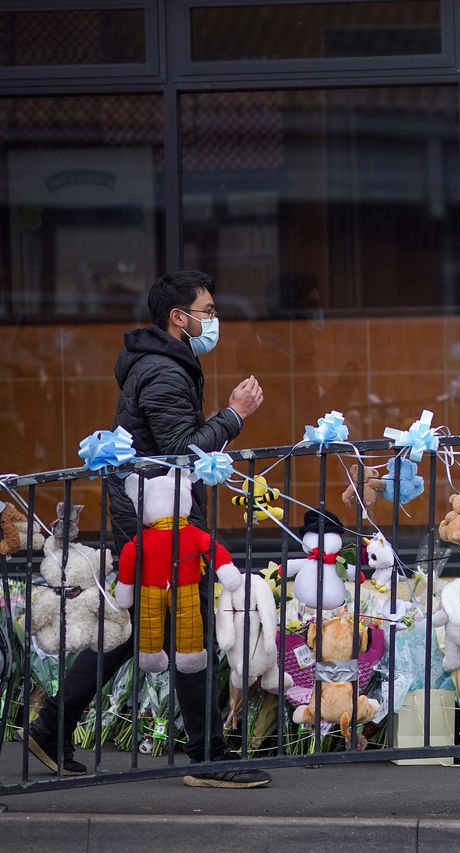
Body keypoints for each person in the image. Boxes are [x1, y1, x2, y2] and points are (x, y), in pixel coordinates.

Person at [26, 271, 270, 789]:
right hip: (160, 520)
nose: (213, 318)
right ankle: (208, 757)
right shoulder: (163, 371)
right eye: (206, 310)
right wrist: (234, 414)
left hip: (152, 516)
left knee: (131, 627)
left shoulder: (164, 364)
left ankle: (51, 729)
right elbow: (183, 450)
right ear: (178, 317)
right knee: (189, 625)